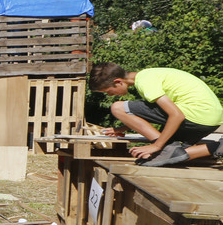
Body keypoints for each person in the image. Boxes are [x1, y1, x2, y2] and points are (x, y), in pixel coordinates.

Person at [90, 62, 223, 167]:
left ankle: (166, 149)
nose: (110, 95)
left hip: (195, 114)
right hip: (210, 120)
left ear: (118, 82)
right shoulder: (149, 75)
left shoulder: (145, 81)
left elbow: (176, 115)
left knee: (117, 107)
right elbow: (152, 113)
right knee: (170, 158)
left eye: (109, 91)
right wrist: (122, 128)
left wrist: (156, 145)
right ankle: (216, 147)